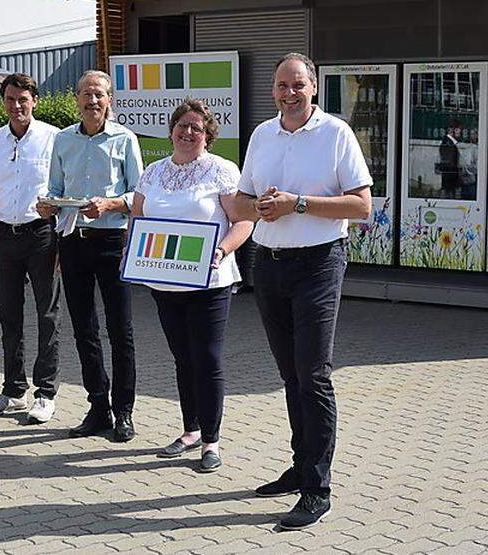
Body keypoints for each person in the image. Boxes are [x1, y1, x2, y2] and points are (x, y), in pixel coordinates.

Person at [235, 53, 372, 531]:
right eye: (280, 86)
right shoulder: (262, 134)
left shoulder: (336, 133)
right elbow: (240, 199)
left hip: (318, 264)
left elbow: (361, 206)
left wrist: (298, 204)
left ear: (313, 87)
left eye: (297, 85)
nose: (288, 93)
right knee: (290, 374)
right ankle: (299, 466)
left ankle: (317, 487)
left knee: (313, 374)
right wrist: (260, 206)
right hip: (269, 265)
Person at [132, 99, 254, 473]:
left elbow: (243, 222)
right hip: (165, 284)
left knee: (207, 359)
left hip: (210, 283)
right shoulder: (152, 173)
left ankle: (211, 441)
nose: (188, 132)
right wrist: (132, 256)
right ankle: (190, 430)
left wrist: (221, 250)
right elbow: (137, 220)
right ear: (171, 130)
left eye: (196, 128)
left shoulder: (221, 171)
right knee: (182, 359)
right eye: (182, 125)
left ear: (208, 135)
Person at [40, 69, 143, 442]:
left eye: (99, 94)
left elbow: (138, 196)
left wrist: (111, 203)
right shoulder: (64, 139)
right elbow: (54, 187)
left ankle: (124, 411)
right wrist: (47, 204)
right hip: (73, 241)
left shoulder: (124, 139)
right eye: (86, 94)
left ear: (109, 100)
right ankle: (98, 405)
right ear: (77, 100)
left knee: (121, 330)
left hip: (112, 242)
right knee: (84, 329)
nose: (92, 101)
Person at [0, 73, 62, 422]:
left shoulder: (54, 138)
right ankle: (12, 389)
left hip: (43, 235)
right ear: (3, 101)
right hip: (5, 234)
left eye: (23, 99)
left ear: (34, 101)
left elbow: (63, 192)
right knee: (9, 315)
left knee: (47, 315)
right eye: (10, 99)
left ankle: (46, 393)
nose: (17, 106)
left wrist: (62, 239)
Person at [436, 120, 462, 199]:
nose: (460, 132)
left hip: (450, 180)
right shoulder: (447, 144)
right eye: (458, 129)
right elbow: (448, 164)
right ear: (451, 130)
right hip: (449, 180)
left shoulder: (450, 143)